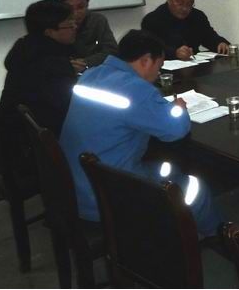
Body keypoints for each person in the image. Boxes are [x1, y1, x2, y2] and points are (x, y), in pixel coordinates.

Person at [60, 30, 223, 236]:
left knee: (167, 169)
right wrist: (178, 109)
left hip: (73, 186)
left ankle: (176, 227)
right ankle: (219, 237)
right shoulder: (134, 89)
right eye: (159, 65)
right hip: (107, 195)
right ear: (146, 60)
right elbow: (175, 130)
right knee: (195, 188)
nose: (158, 72)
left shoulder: (90, 75)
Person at [1, 0, 78, 138]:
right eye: (70, 24)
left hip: (19, 137)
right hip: (49, 135)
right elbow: (70, 107)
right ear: (49, 32)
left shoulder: (25, 50)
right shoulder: (51, 62)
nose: (75, 27)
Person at [141, 0, 230, 60]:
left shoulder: (197, 16)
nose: (184, 8)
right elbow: (150, 51)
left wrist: (219, 43)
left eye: (189, 4)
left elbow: (209, 37)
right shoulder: (152, 20)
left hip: (196, 66)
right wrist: (175, 53)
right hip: (165, 69)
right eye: (180, 3)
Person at [54, 0, 118, 72]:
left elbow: (112, 51)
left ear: (87, 5)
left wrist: (87, 63)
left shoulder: (97, 20)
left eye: (80, 7)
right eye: (69, 8)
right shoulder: (52, 25)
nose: (75, 13)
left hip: (95, 71)